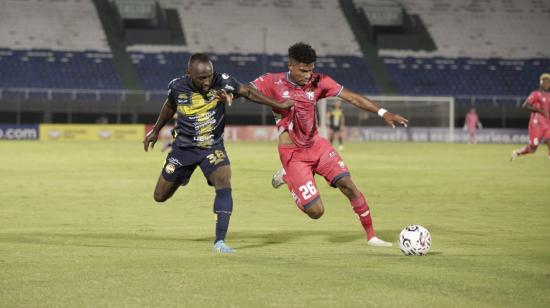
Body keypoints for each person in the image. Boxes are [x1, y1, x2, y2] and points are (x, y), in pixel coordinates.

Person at [251, 43, 408, 247]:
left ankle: (372, 236)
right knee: (316, 212)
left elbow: (351, 96)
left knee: (348, 185)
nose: (308, 75)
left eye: (311, 70)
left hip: (317, 146)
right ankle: (288, 177)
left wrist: (383, 112)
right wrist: (230, 93)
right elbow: (247, 90)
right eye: (303, 70)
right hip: (293, 155)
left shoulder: (320, 81)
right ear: (290, 65)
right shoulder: (272, 81)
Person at [143, 53, 293, 253]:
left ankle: (220, 241)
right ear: (189, 74)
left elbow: (248, 92)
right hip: (183, 148)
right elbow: (170, 106)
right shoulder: (177, 86)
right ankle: (183, 175)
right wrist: (155, 130)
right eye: (201, 78)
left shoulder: (223, 82)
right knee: (159, 196)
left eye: (209, 76)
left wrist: (279, 104)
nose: (207, 81)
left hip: (212, 147)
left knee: (224, 180)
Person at [511, 73, 550, 161]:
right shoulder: (536, 94)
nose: (547, 85)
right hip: (536, 125)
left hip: (547, 124)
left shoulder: (549, 96)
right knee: (533, 148)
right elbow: (525, 105)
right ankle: (517, 152)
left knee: (549, 140)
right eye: (545, 82)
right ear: (541, 82)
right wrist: (539, 110)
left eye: (549, 83)